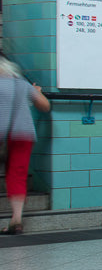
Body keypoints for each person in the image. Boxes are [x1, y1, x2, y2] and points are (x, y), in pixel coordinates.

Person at [0, 56, 49, 235]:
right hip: (23, 134)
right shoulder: (21, 84)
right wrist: (34, 93)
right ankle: (17, 219)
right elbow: (45, 105)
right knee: (17, 174)